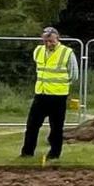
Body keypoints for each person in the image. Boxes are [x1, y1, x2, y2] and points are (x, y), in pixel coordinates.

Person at [21, 26, 77, 163]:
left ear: (58, 38)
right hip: (40, 94)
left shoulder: (67, 52)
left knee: (56, 127)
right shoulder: (38, 51)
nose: (48, 44)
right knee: (32, 125)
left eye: (51, 41)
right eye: (45, 41)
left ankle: (55, 153)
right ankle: (27, 153)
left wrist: (61, 86)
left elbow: (74, 75)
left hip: (58, 96)